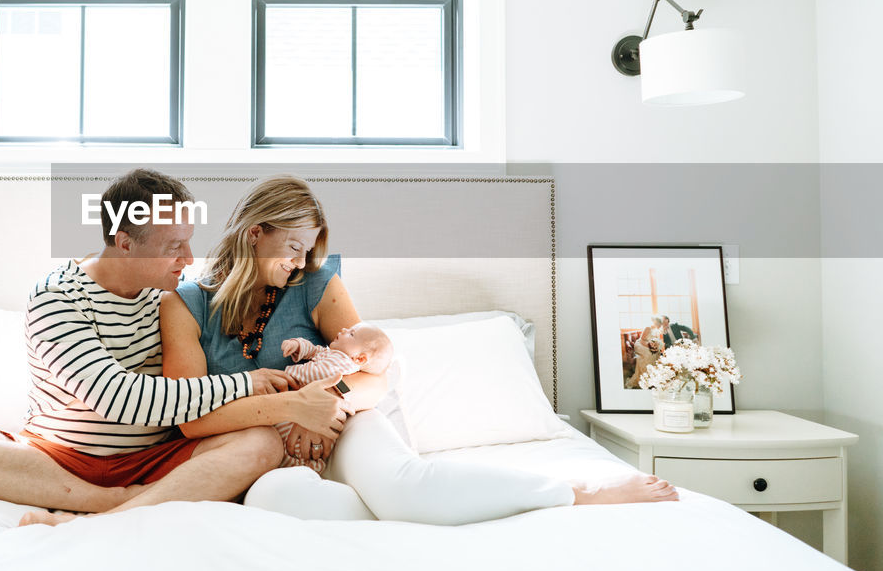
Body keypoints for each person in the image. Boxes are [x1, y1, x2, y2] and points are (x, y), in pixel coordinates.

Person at [161, 175, 679, 525]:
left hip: (345, 424)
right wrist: (293, 408)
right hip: (272, 452)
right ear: (255, 234)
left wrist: (325, 407)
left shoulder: (318, 285)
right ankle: (408, 513)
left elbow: (375, 373)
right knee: (278, 503)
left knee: (405, 489)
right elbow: (189, 418)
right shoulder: (186, 305)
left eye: (308, 252)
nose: (299, 265)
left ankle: (576, 491)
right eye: (293, 249)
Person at [0, 168, 348, 527]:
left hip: (154, 457)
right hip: (60, 456)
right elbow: (119, 399)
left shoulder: (171, 296)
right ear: (125, 243)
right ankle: (118, 507)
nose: (187, 257)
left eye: (188, 240)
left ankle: (103, 514)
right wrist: (248, 383)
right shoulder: (57, 298)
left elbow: (195, 399)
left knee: (260, 444)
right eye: (172, 247)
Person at [276, 323, 394, 473]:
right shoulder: (332, 354)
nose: (344, 329)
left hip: (306, 416)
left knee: (293, 445)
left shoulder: (343, 364)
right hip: (295, 408)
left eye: (351, 334)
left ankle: (303, 466)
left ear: (360, 359)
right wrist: (298, 345)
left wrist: (290, 375)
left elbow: (318, 374)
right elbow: (314, 350)